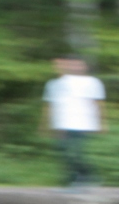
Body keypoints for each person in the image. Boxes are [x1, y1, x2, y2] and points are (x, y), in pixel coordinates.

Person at [41, 56, 107, 186]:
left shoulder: (92, 82)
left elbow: (98, 104)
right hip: (62, 123)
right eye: (73, 65)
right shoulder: (54, 84)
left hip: (83, 123)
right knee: (62, 150)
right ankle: (79, 177)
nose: (75, 67)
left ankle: (81, 178)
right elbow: (50, 106)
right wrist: (46, 124)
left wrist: (102, 123)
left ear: (85, 67)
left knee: (75, 151)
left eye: (79, 65)